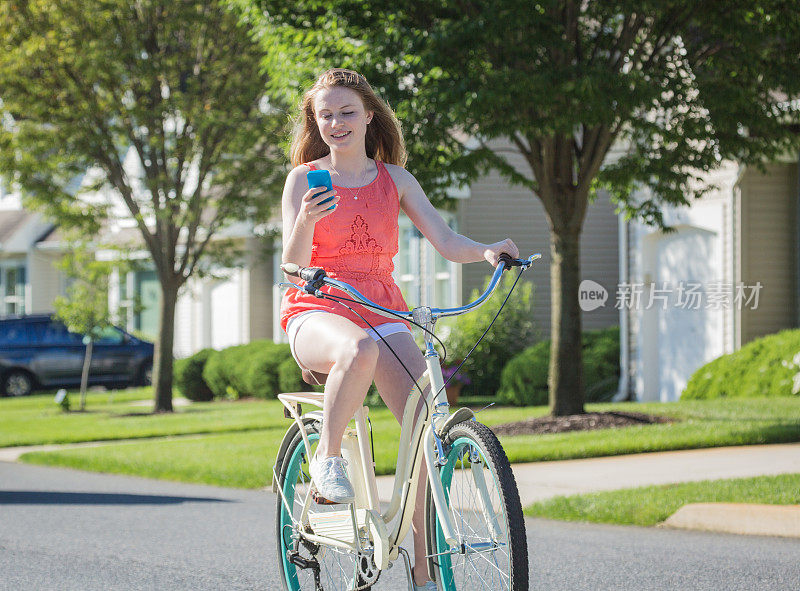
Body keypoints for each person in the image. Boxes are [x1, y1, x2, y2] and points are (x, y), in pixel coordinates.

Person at [280, 68, 519, 591]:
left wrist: (485, 252)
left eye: (347, 112)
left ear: (369, 115)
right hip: (315, 308)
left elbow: (445, 239)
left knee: (426, 425)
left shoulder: (396, 181)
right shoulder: (303, 178)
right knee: (359, 348)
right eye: (326, 115)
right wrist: (306, 223)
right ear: (315, 122)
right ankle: (327, 463)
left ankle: (423, 571)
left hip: (383, 308)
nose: (337, 123)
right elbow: (291, 266)